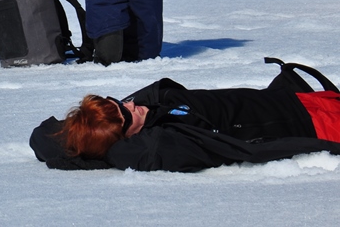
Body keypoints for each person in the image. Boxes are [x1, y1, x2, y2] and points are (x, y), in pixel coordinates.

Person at [29, 61, 340, 172]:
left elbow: (42, 136)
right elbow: (145, 149)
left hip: (293, 101)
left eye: (117, 101)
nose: (130, 103)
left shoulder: (140, 117)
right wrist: (106, 148)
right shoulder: (158, 145)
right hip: (314, 123)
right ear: (123, 137)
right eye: (124, 113)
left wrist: (74, 130)